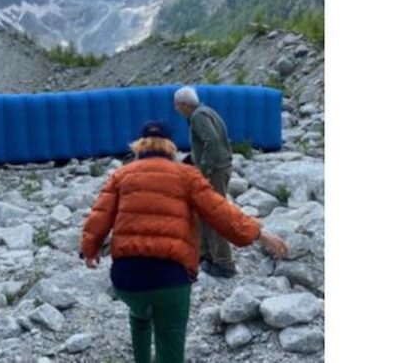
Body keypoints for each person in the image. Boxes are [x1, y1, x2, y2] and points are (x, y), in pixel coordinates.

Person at [80, 121, 288, 363]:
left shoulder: (121, 175)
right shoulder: (186, 175)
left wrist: (89, 250)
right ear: (171, 148)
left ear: (138, 146)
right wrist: (258, 233)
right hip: (170, 278)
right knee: (170, 342)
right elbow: (220, 212)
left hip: (128, 278)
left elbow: (99, 215)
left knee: (139, 313)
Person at [174, 85, 237, 278]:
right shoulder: (207, 110)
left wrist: (203, 169)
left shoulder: (197, 117)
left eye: (177, 106)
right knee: (203, 212)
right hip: (220, 167)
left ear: (185, 104)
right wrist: (191, 159)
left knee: (213, 214)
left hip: (215, 171)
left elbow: (212, 141)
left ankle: (224, 263)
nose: (176, 109)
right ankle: (206, 254)